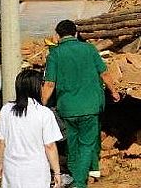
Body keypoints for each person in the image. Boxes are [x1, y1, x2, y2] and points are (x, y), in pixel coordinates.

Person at [42, 20, 120, 188]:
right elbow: (104, 73)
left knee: (72, 144)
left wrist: (42, 104)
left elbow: (49, 84)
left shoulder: (54, 54)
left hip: (67, 109)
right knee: (86, 145)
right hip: (90, 107)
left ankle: (76, 175)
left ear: (57, 35)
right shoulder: (90, 49)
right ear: (76, 33)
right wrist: (114, 91)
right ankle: (78, 182)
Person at [0, 69, 63, 188]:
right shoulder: (44, 113)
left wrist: (1, 164)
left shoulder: (6, 110)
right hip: (35, 172)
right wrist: (57, 172)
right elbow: (49, 146)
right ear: (36, 87)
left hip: (11, 170)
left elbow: (1, 141)